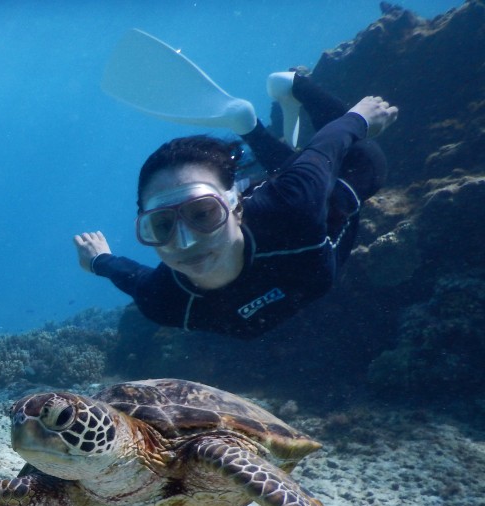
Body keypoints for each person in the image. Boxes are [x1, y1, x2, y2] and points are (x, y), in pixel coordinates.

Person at [74, 71, 399, 339]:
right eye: (161, 226)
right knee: (285, 168)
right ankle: (248, 126)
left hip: (323, 203)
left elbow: (324, 148)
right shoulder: (163, 302)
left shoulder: (294, 204)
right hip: (283, 200)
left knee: (370, 163)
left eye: (203, 214)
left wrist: (359, 117)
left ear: (237, 207)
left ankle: (291, 85)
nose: (186, 242)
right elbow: (128, 275)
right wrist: (99, 259)